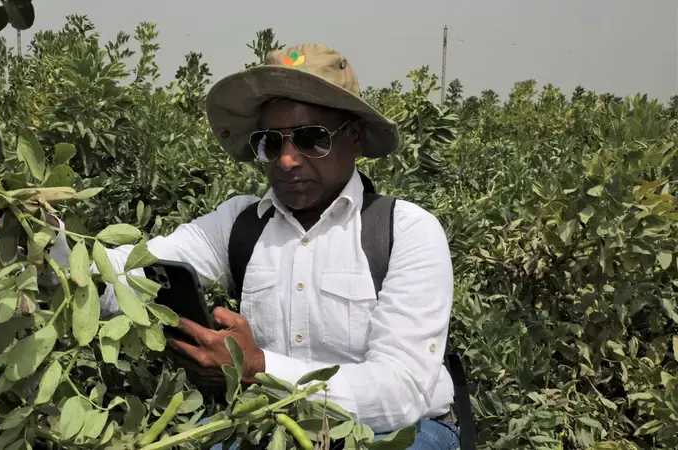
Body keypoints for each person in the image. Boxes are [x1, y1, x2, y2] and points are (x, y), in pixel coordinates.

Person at [46, 44, 459, 449]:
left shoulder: (405, 231)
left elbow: (401, 393)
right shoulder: (240, 224)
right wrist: (44, 237)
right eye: (271, 143)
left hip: (397, 432)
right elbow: (124, 278)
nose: (287, 160)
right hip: (269, 422)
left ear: (353, 137)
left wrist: (258, 369)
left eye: (311, 139)